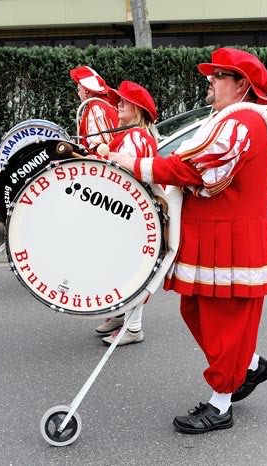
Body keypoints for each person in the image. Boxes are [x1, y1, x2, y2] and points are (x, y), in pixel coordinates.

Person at [109, 47, 267, 434]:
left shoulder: (243, 123)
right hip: (213, 236)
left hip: (230, 239)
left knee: (224, 322)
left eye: (219, 75)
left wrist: (132, 163)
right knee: (196, 311)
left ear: (241, 86)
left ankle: (221, 404)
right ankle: (249, 366)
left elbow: (195, 169)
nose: (210, 80)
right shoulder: (228, 119)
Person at [94, 80, 159, 347]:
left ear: (138, 109)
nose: (118, 103)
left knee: (129, 271)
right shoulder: (137, 135)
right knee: (121, 268)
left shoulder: (134, 137)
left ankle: (133, 327)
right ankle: (121, 316)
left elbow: (123, 177)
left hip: (128, 215)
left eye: (124, 101)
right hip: (129, 213)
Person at [70, 65, 119, 153]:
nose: (78, 94)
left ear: (86, 90)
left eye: (78, 90)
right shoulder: (108, 102)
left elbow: (99, 145)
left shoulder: (96, 107)